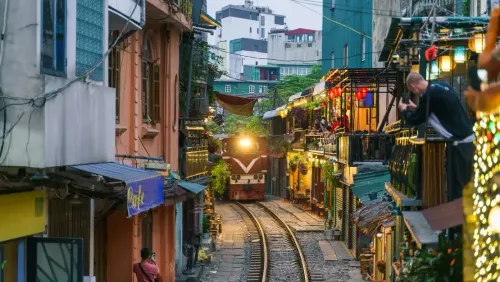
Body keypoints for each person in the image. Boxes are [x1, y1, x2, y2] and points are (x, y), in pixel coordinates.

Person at [398, 72, 474, 200]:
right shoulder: (441, 86)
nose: (416, 94)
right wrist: (417, 108)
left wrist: (404, 110)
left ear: (413, 86)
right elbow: (439, 111)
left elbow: (416, 119)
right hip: (466, 138)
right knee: (465, 181)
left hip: (458, 142)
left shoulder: (428, 95)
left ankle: (457, 217)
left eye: (413, 91)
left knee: (457, 184)